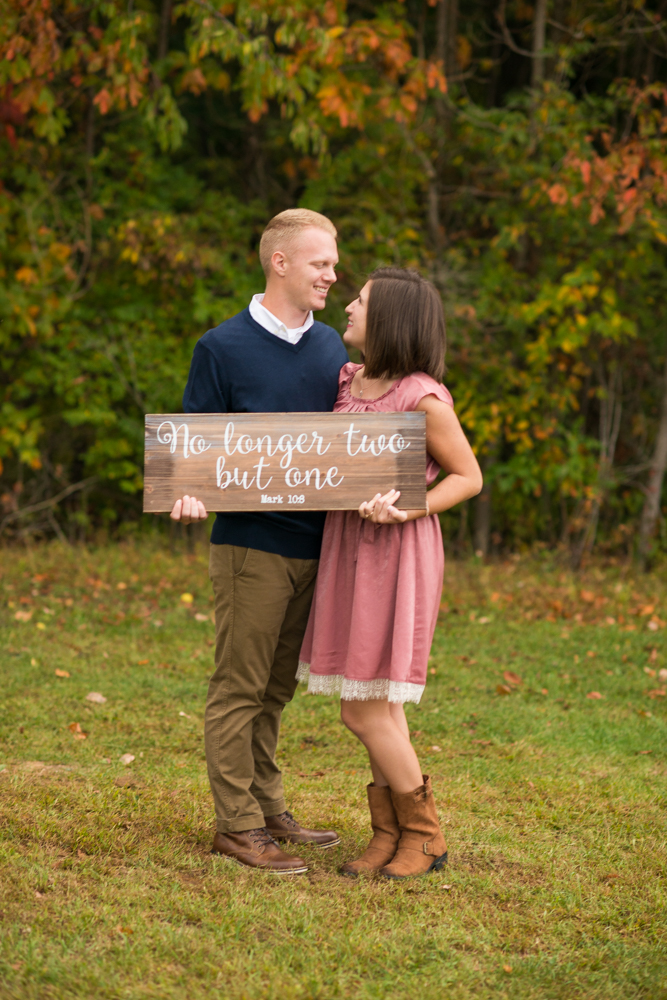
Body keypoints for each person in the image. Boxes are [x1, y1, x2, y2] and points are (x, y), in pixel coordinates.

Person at [170, 209, 349, 874]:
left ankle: (268, 806)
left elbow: (352, 442)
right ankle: (237, 825)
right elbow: (194, 446)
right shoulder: (222, 346)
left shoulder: (334, 347)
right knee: (238, 687)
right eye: (320, 263)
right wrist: (189, 490)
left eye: (332, 264)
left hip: (315, 546)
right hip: (250, 546)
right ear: (280, 263)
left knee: (275, 690)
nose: (332, 274)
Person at [298, 268, 483, 880]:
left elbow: (468, 476)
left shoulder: (422, 395)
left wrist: (411, 504)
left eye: (361, 301)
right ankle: (390, 834)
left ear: (393, 319)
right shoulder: (350, 381)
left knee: (361, 710)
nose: (347, 305)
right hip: (349, 547)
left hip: (397, 552)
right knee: (380, 703)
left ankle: (427, 836)